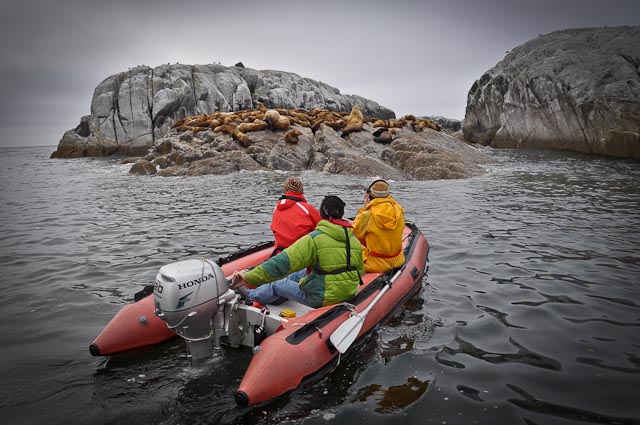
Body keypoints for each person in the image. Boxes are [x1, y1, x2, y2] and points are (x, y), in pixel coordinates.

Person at [232, 195, 363, 308]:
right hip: (347, 292)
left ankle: (250, 295)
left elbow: (282, 263)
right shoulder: (354, 241)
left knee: (278, 284)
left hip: (324, 297)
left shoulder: (313, 239)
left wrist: (249, 277)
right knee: (299, 273)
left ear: (322, 213)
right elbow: (360, 271)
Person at [352, 179, 405, 273]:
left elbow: (355, 233)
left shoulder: (367, 215)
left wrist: (364, 208)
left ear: (369, 196)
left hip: (375, 264)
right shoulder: (399, 210)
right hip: (398, 259)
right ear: (388, 195)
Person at [270, 176, 321, 256]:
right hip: (302, 255)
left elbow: (273, 229)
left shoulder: (276, 209)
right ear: (301, 190)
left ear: (285, 190)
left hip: (280, 255)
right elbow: (323, 226)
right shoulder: (307, 209)